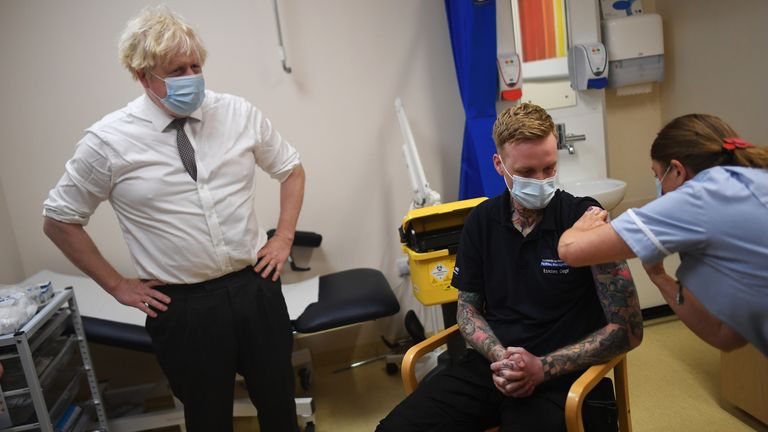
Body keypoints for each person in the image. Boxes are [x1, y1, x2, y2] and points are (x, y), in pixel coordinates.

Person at [42, 6, 304, 432]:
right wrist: (116, 285)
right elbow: (59, 220)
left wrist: (284, 237)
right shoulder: (108, 141)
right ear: (143, 76)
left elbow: (291, 169)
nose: (190, 77)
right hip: (184, 308)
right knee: (207, 418)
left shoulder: (237, 114)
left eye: (195, 66)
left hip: (255, 287)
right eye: (175, 70)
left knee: (279, 407)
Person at [377, 103, 643, 431]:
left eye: (549, 168)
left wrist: (541, 368)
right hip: (492, 367)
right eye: (527, 173)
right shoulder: (482, 222)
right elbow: (467, 310)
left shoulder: (584, 222)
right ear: (499, 165)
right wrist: (501, 358)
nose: (542, 180)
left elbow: (628, 329)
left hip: (564, 377)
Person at [558, 113, 768, 357]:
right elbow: (725, 336)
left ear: (677, 171)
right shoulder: (752, 180)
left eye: (657, 176)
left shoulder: (700, 197)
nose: (659, 185)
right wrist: (659, 276)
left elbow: (570, 250)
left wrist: (582, 224)